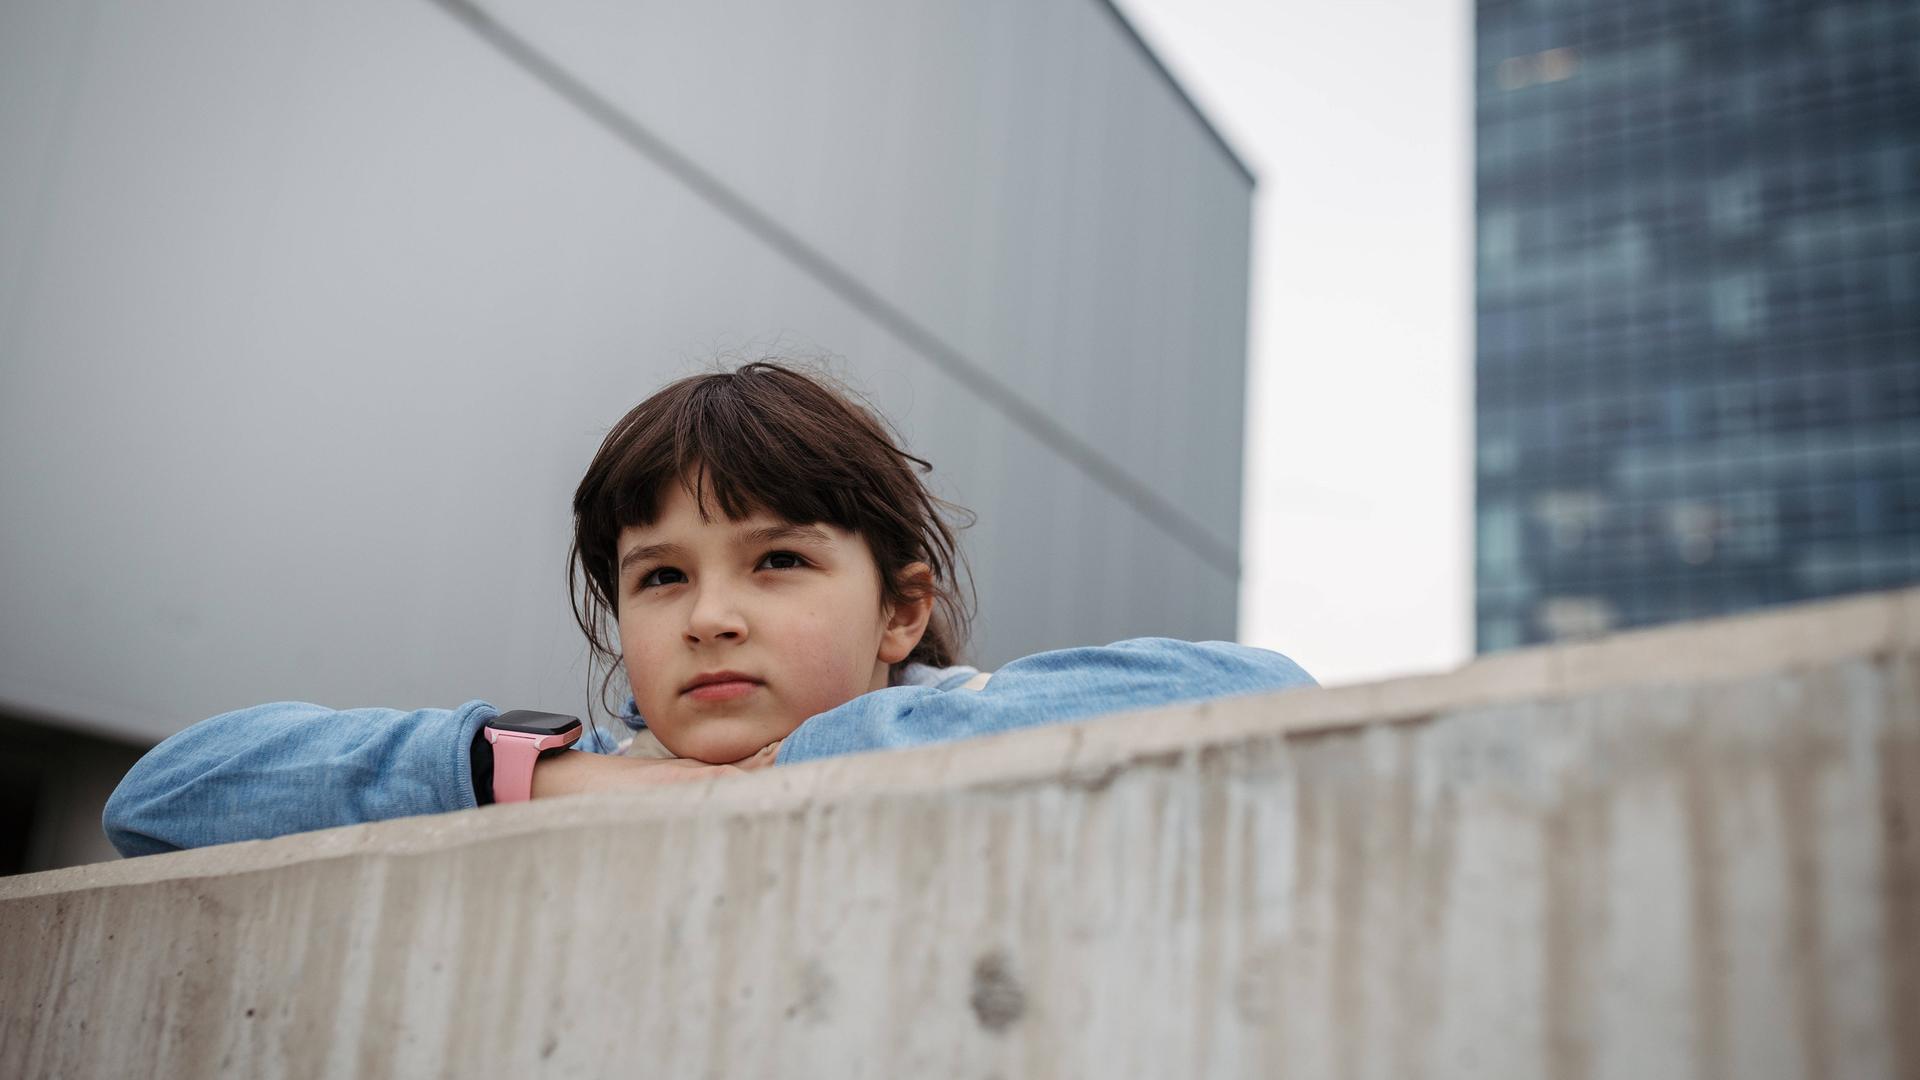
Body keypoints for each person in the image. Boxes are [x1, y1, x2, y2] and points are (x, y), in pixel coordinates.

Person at [103, 362, 1315, 857]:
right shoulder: (586, 772)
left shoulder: (983, 724)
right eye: (663, 575)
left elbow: (1259, 693)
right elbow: (159, 804)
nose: (710, 616)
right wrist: (543, 775)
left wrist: (823, 754)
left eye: (777, 562)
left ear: (900, 613)